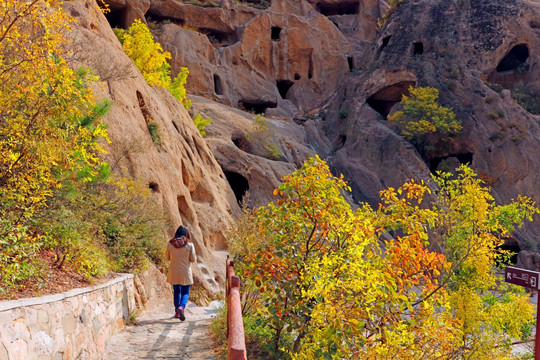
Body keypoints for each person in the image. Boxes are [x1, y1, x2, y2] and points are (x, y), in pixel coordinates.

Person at [165, 225, 196, 321]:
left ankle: (176, 312)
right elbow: (193, 259)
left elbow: (167, 258)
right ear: (186, 234)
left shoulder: (170, 244)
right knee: (185, 292)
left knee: (177, 291)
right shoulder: (189, 245)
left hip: (174, 271)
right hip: (185, 272)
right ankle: (181, 308)